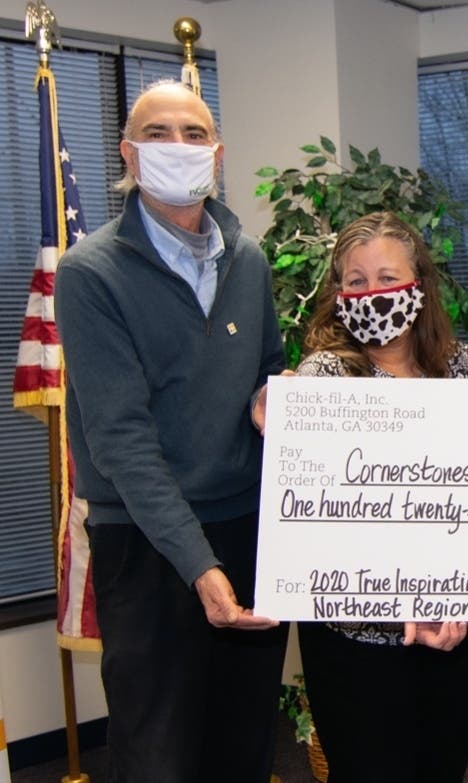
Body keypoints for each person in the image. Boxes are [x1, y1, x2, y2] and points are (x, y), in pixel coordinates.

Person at [54, 80, 287, 783]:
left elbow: (268, 366)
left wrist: (268, 400)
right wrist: (198, 564)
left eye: (193, 133)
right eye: (157, 133)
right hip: (149, 543)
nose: (177, 147)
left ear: (218, 154)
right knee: (160, 756)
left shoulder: (247, 259)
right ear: (128, 152)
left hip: (244, 527)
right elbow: (119, 437)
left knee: (243, 742)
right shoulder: (89, 272)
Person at [294, 211, 468, 783]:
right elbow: (322, 518)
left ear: (421, 285)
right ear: (338, 295)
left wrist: (454, 593)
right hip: (358, 640)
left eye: (387, 276)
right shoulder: (324, 381)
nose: (372, 293)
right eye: (355, 282)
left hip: (456, 626)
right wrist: (401, 592)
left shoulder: (466, 370)